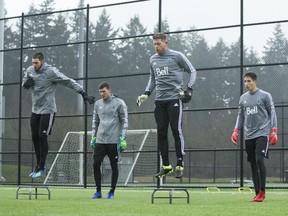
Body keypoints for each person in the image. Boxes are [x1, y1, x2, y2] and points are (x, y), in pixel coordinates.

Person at [22, 52, 95, 179]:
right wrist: (25, 84)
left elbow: (68, 81)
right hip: (35, 110)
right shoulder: (29, 70)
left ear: (42, 62)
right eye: (32, 63)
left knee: (42, 135)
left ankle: (41, 166)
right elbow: (24, 84)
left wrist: (83, 93)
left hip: (48, 110)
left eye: (36, 63)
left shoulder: (51, 72)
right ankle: (39, 165)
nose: (34, 65)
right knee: (34, 136)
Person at [136, 32, 197, 179]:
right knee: (161, 133)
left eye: (159, 44)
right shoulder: (153, 59)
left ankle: (180, 164)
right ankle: (166, 165)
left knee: (176, 130)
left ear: (166, 43)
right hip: (159, 101)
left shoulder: (177, 56)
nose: (156, 47)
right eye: (154, 44)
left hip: (174, 99)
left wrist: (189, 89)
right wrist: (146, 93)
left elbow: (193, 71)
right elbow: (153, 78)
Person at [231, 72, 278, 202]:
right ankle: (257, 193)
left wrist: (273, 130)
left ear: (255, 81)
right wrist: (236, 131)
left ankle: (262, 192)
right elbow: (240, 115)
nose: (247, 84)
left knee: (259, 160)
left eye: (249, 81)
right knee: (252, 163)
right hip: (248, 136)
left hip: (262, 133)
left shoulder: (265, 96)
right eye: (245, 81)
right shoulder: (243, 98)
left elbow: (272, 113)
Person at [90, 82, 128, 199]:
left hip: (113, 140)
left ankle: (111, 192)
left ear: (109, 90)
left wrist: (123, 137)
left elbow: (124, 120)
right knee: (96, 164)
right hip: (100, 140)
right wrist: (93, 136)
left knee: (113, 165)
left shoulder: (119, 103)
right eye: (100, 92)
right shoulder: (97, 104)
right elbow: (95, 122)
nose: (102, 94)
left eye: (104, 91)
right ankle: (98, 192)